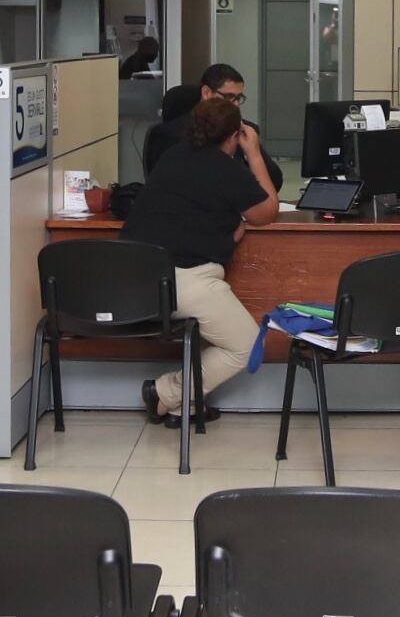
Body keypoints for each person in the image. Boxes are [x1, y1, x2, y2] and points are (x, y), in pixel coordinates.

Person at [121, 96, 279, 427]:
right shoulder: (227, 169)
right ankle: (165, 393)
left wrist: (226, 234)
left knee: (215, 327)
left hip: (135, 277)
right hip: (184, 279)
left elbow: (186, 214)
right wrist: (253, 153)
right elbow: (266, 212)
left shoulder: (172, 156)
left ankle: (184, 408)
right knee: (247, 344)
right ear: (234, 136)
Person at [143, 63, 284, 190]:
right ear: (206, 93)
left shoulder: (245, 130)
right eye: (228, 97)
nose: (235, 104)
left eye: (238, 98)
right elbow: (166, 187)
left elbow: (275, 182)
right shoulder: (170, 134)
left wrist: (252, 154)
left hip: (244, 207)